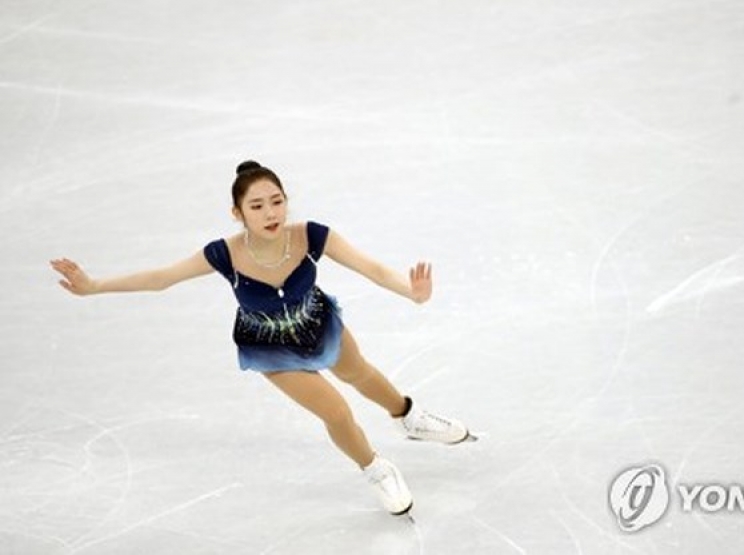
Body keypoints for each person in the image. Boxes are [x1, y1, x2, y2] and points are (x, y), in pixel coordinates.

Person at [49, 160, 471, 516]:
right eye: (257, 205)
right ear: (238, 213)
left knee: (360, 372)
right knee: (338, 412)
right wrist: (95, 285)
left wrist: (409, 291)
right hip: (271, 349)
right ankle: (374, 467)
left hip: (318, 321)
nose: (271, 213)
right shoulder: (223, 253)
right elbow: (162, 278)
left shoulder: (312, 235)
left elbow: (372, 268)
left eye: (277, 201)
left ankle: (408, 417)